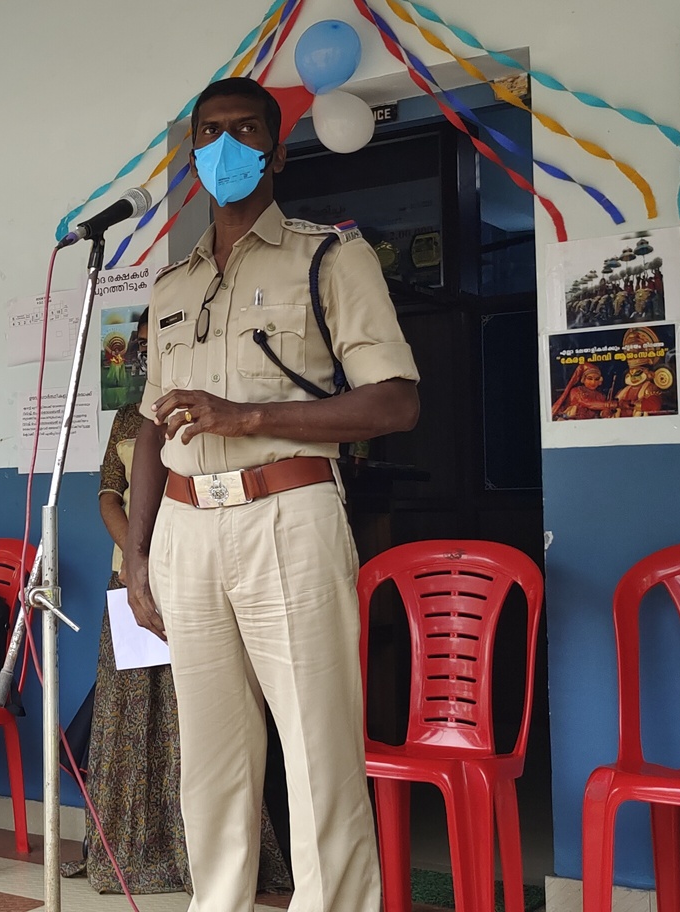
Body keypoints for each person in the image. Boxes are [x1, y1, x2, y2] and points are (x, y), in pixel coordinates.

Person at [124, 77, 419, 912]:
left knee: (317, 743)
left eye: (245, 130)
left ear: (278, 151)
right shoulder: (171, 285)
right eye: (209, 133)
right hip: (185, 528)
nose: (226, 146)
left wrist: (248, 415)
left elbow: (396, 403)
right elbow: (149, 428)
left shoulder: (329, 255)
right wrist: (137, 557)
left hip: (287, 514)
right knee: (210, 753)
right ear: (192, 155)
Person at [63, 398, 295, 894]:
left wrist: (165, 558)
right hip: (132, 579)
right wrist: (138, 560)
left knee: (202, 718)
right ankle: (129, 851)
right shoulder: (128, 419)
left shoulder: (218, 408)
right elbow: (109, 498)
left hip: (201, 573)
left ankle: (211, 859)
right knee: (126, 717)